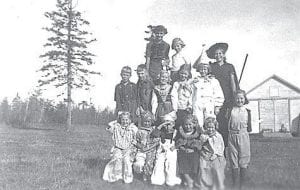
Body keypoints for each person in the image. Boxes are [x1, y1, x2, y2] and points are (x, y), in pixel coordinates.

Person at [206, 42, 240, 147]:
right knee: (217, 122)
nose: (218, 56)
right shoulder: (211, 66)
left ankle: (228, 146)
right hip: (215, 99)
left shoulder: (229, 67)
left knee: (227, 123)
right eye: (216, 54)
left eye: (220, 53)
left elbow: (233, 82)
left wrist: (234, 97)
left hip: (228, 98)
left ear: (224, 55)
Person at [103, 112, 138, 184]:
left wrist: (130, 148)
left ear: (130, 120)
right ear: (120, 120)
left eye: (126, 120)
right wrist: (117, 120)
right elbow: (109, 125)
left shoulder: (133, 128)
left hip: (129, 148)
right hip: (118, 147)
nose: (125, 121)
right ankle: (115, 176)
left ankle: (127, 178)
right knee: (116, 158)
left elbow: (136, 140)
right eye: (123, 119)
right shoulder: (116, 127)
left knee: (126, 160)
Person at [227, 90, 252, 189]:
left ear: (245, 99)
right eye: (237, 98)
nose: (239, 100)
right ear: (234, 99)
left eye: (241, 98)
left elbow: (249, 126)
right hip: (232, 135)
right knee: (233, 158)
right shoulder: (230, 110)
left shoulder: (247, 111)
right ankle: (235, 184)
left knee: (244, 157)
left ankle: (243, 185)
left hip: (243, 135)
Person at [151, 111, 181, 186]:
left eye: (169, 125)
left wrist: (175, 146)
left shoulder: (176, 132)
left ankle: (170, 179)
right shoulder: (162, 131)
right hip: (162, 148)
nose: (167, 127)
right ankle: (158, 179)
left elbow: (180, 141)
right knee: (159, 161)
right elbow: (154, 134)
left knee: (171, 162)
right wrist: (162, 125)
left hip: (171, 148)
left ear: (173, 124)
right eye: (166, 125)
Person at [192, 62, 224, 132]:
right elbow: (192, 94)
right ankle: (199, 136)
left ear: (208, 70)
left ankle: (210, 138)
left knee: (210, 121)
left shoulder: (213, 81)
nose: (203, 71)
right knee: (198, 121)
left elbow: (218, 94)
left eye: (205, 69)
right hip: (198, 103)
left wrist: (217, 106)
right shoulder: (195, 80)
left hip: (209, 104)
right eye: (201, 69)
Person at [197, 115, 226, 190]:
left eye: (212, 127)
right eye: (208, 127)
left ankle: (216, 186)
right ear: (206, 127)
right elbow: (200, 146)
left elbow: (221, 147)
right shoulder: (204, 135)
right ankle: (204, 186)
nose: (210, 129)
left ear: (215, 127)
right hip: (205, 154)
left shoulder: (218, 136)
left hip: (216, 155)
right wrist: (203, 152)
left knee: (216, 169)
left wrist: (216, 154)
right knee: (203, 168)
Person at [133, 111, 160, 182]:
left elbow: (157, 142)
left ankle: (146, 176)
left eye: (148, 121)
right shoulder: (139, 131)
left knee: (149, 163)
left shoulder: (154, 130)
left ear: (151, 122)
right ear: (142, 121)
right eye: (145, 121)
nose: (147, 123)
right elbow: (136, 142)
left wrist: (149, 148)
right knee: (139, 163)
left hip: (151, 150)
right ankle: (139, 173)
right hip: (141, 149)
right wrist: (141, 147)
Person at [175, 114, 200, 189]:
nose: (188, 126)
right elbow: (178, 143)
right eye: (186, 124)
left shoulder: (197, 134)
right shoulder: (181, 133)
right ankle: (188, 180)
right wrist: (183, 148)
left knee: (195, 160)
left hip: (194, 152)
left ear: (194, 124)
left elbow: (199, 144)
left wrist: (193, 149)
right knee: (182, 161)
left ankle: (192, 178)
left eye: (190, 124)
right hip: (183, 152)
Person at [170, 64, 193, 130]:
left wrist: (190, 106)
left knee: (187, 124)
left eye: (185, 74)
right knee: (178, 124)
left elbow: (192, 96)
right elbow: (174, 96)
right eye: (181, 73)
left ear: (188, 74)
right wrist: (175, 108)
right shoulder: (176, 84)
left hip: (187, 108)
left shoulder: (190, 84)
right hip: (179, 107)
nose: (183, 75)